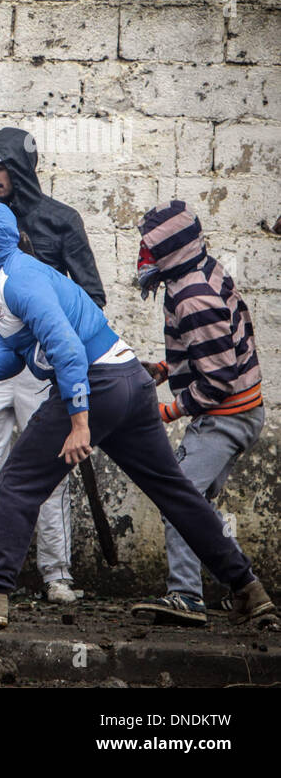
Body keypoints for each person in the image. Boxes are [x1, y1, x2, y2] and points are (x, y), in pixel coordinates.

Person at [0, 201, 276, 629]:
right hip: (130, 381)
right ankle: (249, 589)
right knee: (174, 491)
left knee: (17, 482)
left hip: (97, 383)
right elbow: (20, 350)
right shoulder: (11, 277)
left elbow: (65, 347)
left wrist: (80, 421)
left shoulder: (17, 282)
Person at [0, 128, 106, 604]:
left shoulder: (61, 220)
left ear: (22, 168)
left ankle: (57, 574)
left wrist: (38, 296)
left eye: (0, 167)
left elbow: (92, 297)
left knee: (47, 470)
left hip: (44, 369)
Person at [129, 201, 265, 625]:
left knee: (179, 501)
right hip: (241, 410)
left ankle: (186, 596)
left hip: (225, 417)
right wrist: (169, 368)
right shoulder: (202, 271)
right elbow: (216, 348)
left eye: (150, 246)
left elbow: (219, 378)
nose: (142, 255)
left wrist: (169, 410)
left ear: (170, 248)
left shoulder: (191, 296)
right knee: (198, 504)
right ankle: (246, 591)